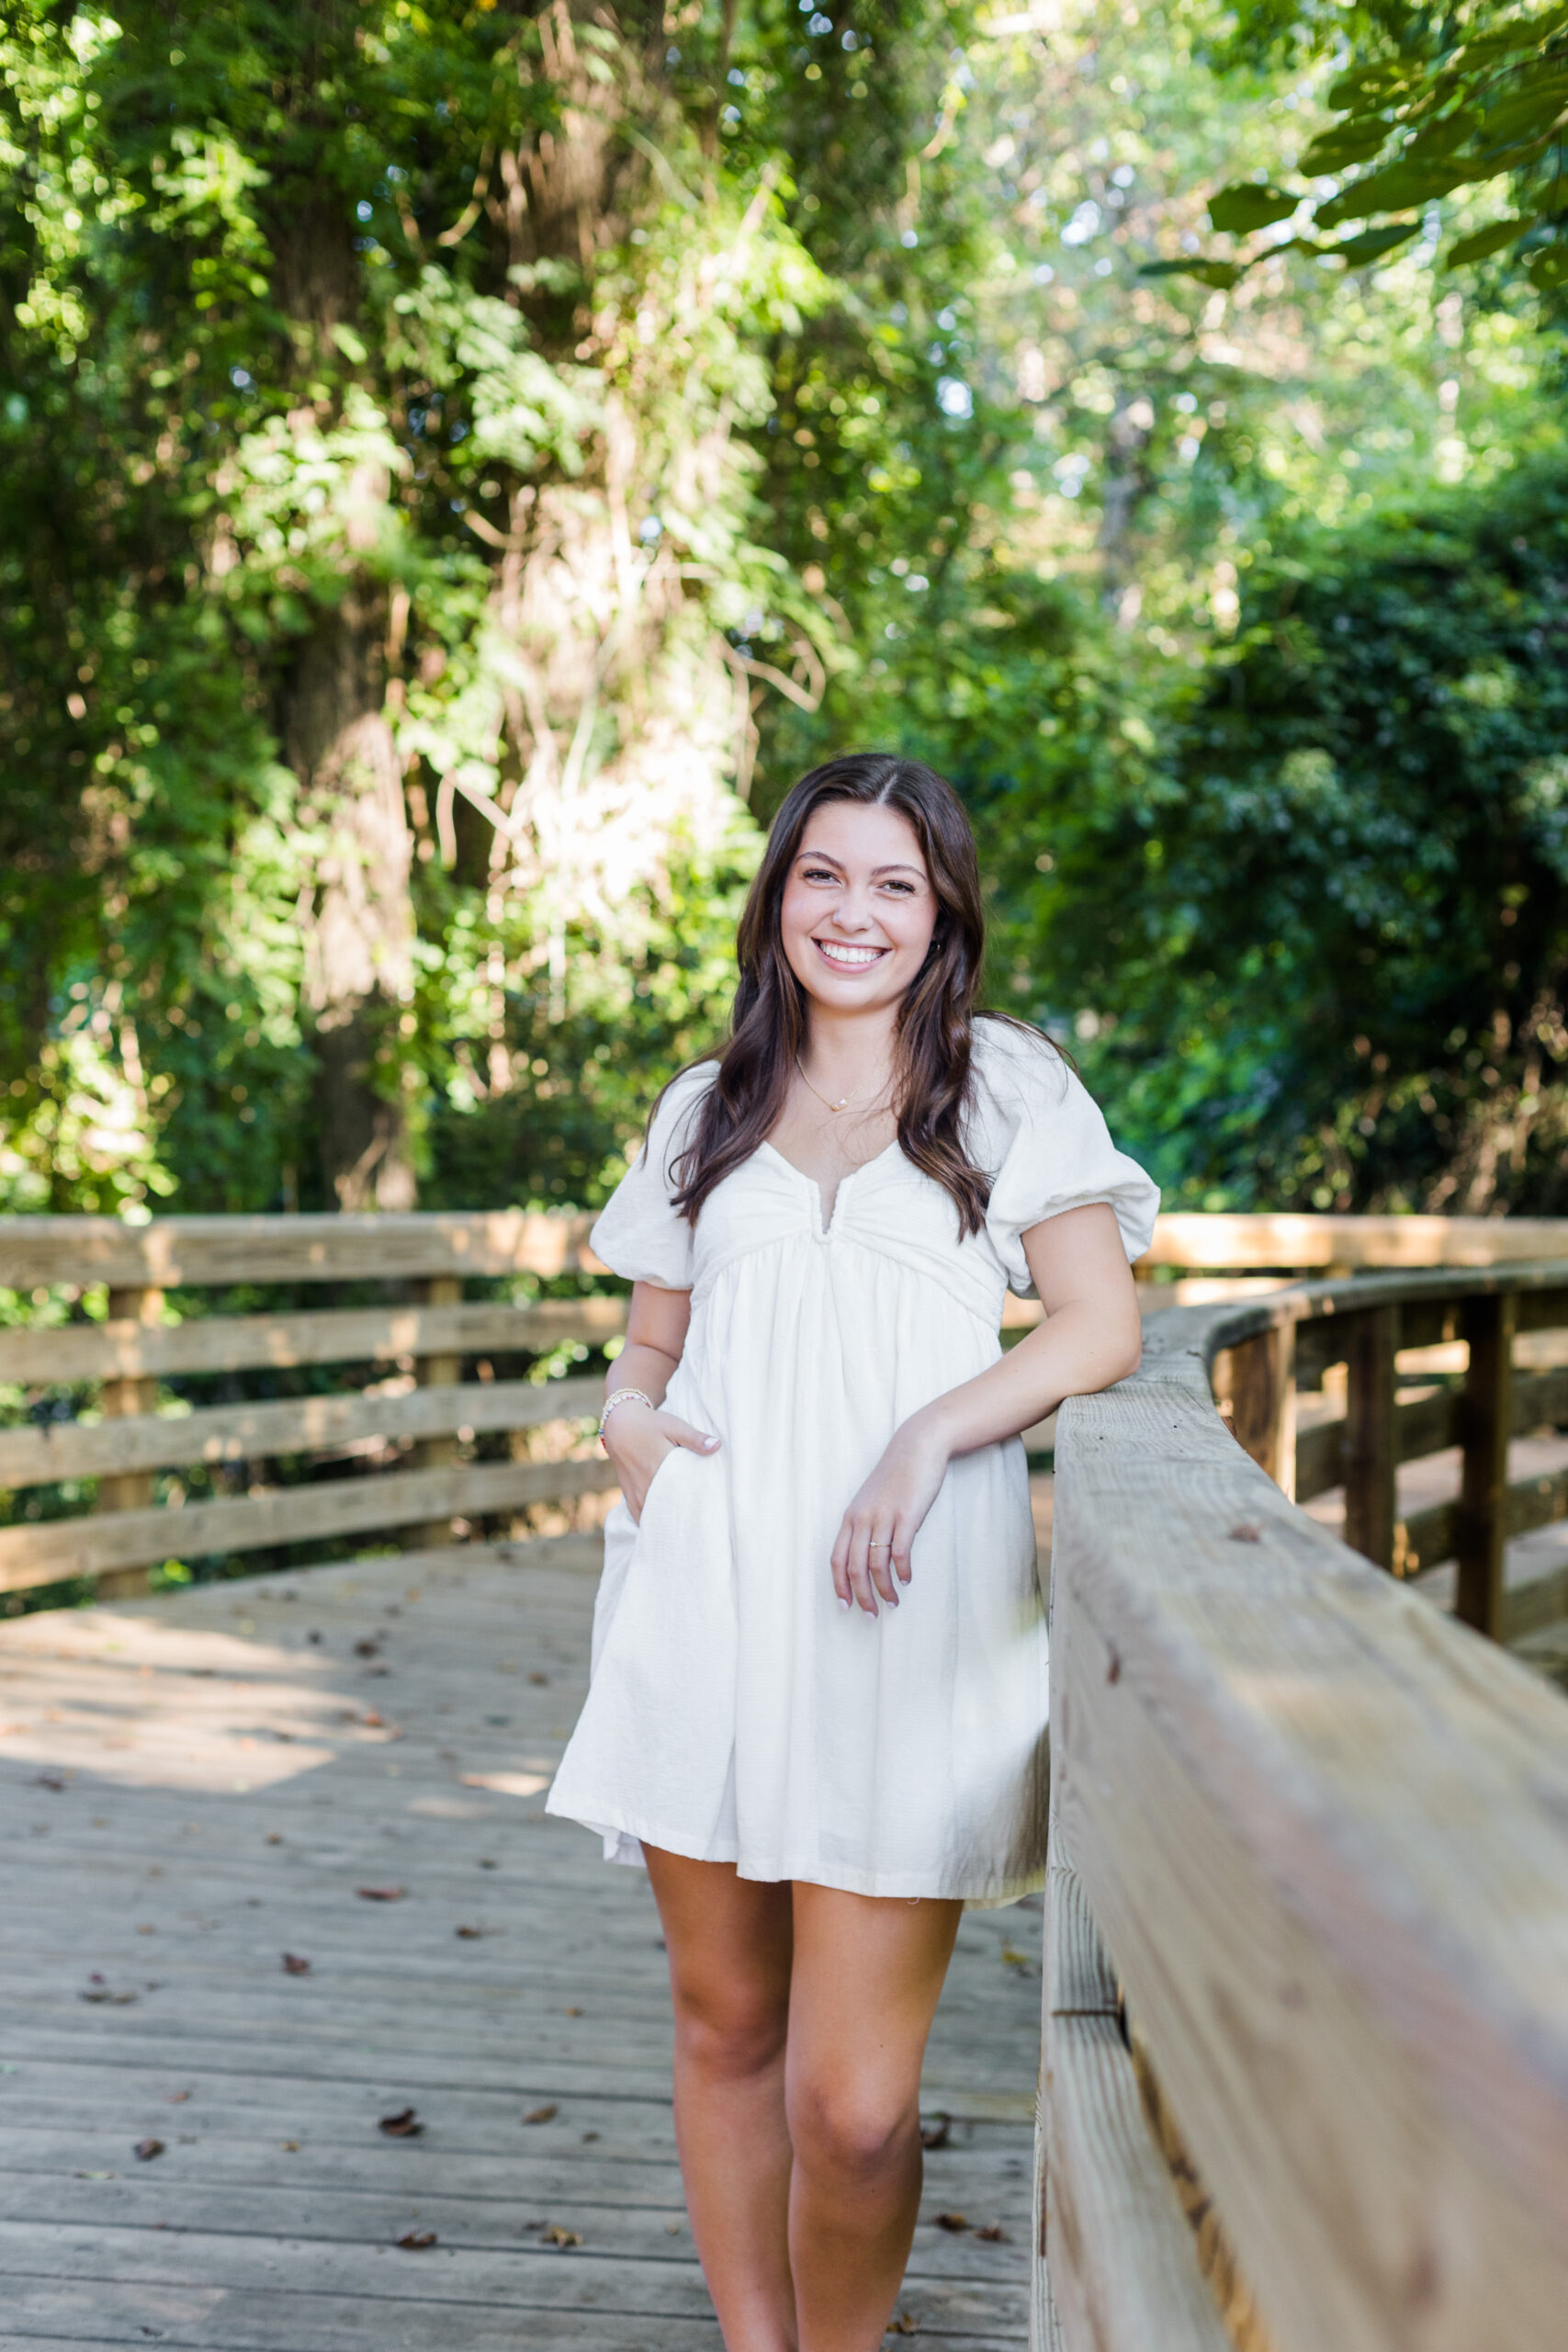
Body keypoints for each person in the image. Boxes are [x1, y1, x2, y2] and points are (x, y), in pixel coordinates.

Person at [547, 752, 1157, 2351]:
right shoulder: (709, 1102)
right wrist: (621, 1420)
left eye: (896, 883)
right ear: (779, 894)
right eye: (826, 874)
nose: (856, 912)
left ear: (941, 910)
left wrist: (930, 1432)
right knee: (726, 2024)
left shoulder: (1005, 1085)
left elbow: (1100, 1325)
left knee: (859, 2108)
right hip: (706, 1599)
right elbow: (645, 1355)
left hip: (906, 1616)